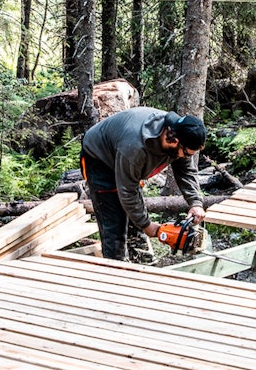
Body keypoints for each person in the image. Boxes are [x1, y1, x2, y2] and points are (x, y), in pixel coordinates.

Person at [80, 107, 207, 263]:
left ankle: (143, 263)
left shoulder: (180, 134)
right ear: (174, 141)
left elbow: (186, 171)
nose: (187, 157)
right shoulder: (136, 146)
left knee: (136, 220)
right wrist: (147, 226)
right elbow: (127, 192)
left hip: (125, 160)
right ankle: (115, 271)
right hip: (100, 160)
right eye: (187, 153)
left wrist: (195, 203)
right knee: (114, 225)